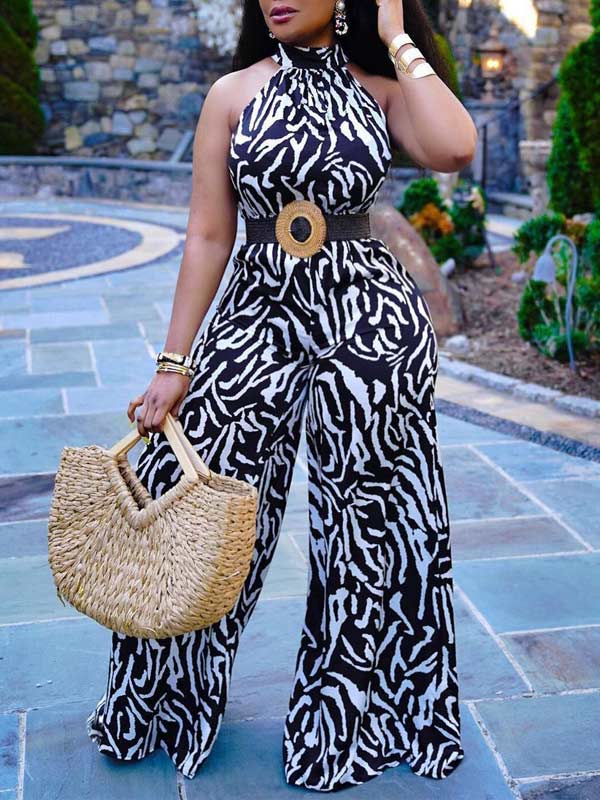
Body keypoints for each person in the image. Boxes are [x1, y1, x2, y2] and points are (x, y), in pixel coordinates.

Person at [87, 0, 476, 791]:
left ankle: (354, 714)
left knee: (372, 526)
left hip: (368, 324)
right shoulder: (233, 93)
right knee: (197, 494)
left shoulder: (380, 89)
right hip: (255, 314)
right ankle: (168, 697)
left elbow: (455, 147)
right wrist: (174, 362)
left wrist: (397, 34)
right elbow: (207, 234)